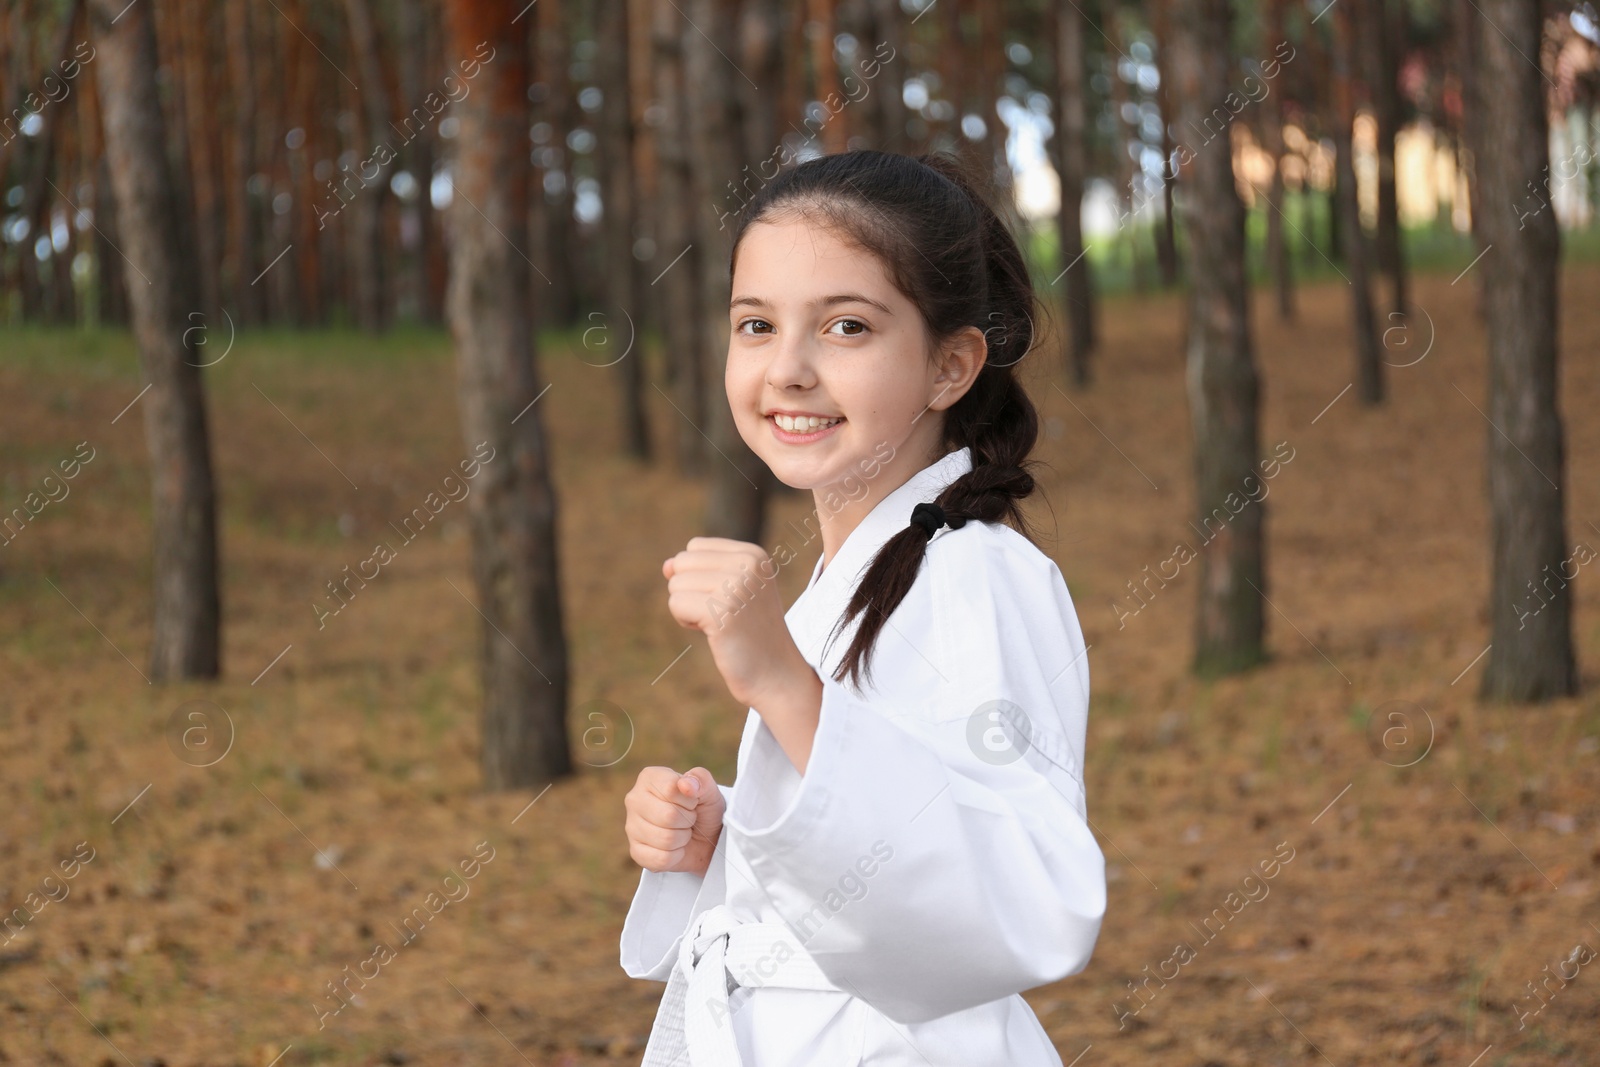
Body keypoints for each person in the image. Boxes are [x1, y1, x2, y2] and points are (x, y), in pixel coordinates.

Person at [620, 149, 1106, 1066]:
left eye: (846, 327)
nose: (789, 370)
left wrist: (785, 687)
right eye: (757, 324)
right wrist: (723, 835)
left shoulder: (984, 578)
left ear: (951, 365)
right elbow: (880, 824)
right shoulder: (866, 569)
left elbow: (1030, 896)